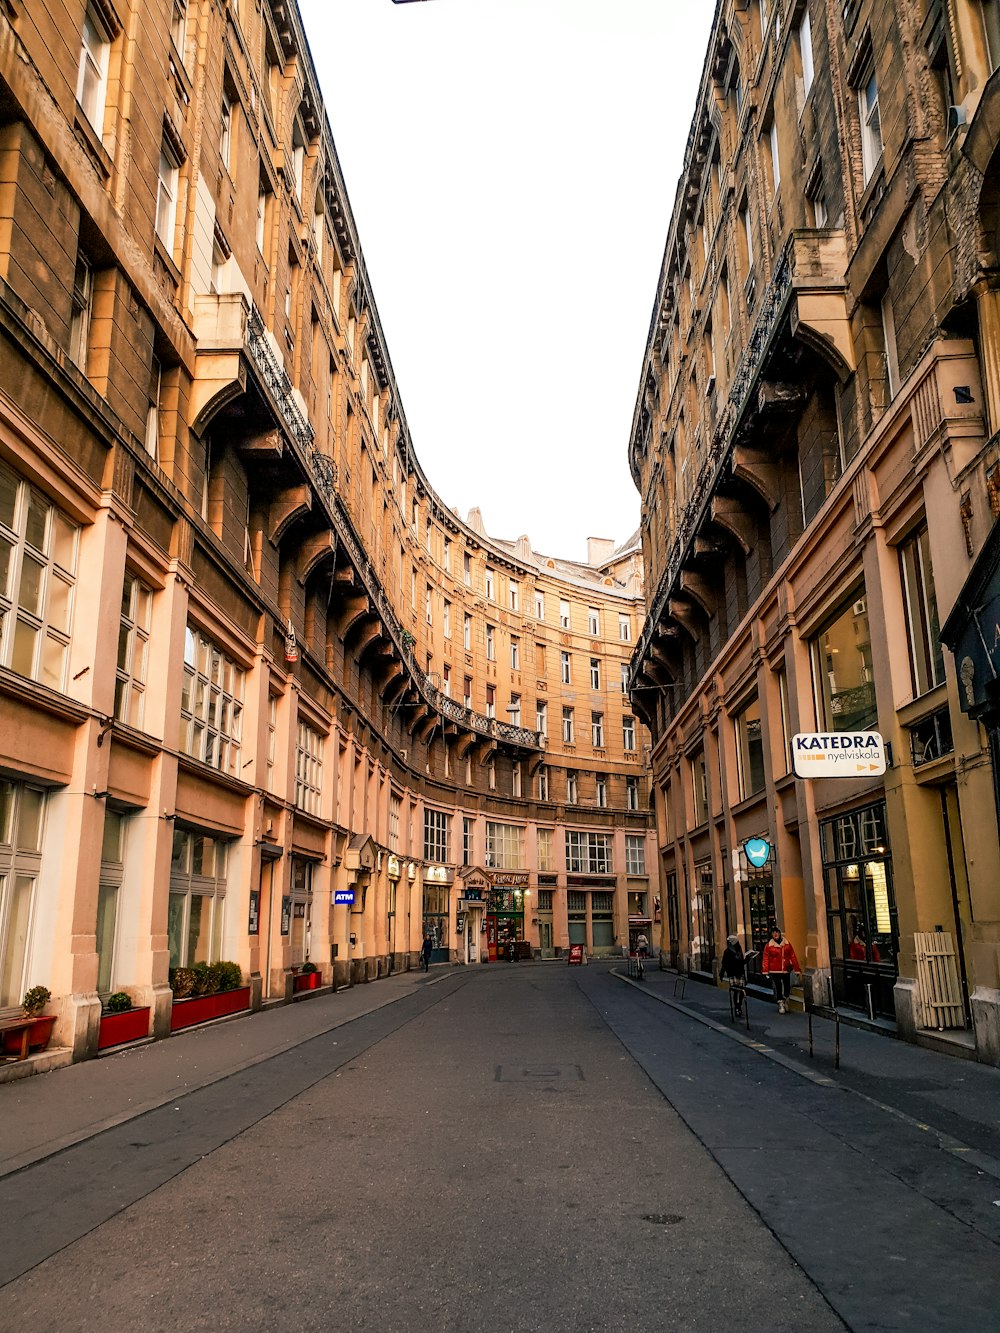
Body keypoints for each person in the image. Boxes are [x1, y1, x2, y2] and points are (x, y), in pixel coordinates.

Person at [761, 925, 799, 1013]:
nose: (775, 934)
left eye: (776, 932)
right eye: (773, 933)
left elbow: (792, 956)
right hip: (774, 969)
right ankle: (780, 1003)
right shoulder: (769, 946)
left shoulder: (786, 944)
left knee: (787, 985)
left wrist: (796, 968)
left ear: (779, 933)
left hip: (786, 968)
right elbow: (765, 958)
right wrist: (765, 970)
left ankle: (786, 998)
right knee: (778, 985)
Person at [719, 934, 747, 1015]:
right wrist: (722, 973)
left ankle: (739, 1005)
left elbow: (741, 962)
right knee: (736, 991)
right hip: (733, 973)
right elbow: (725, 963)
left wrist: (747, 959)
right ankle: (737, 1007)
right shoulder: (728, 951)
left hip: (739, 973)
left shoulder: (739, 950)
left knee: (741, 990)